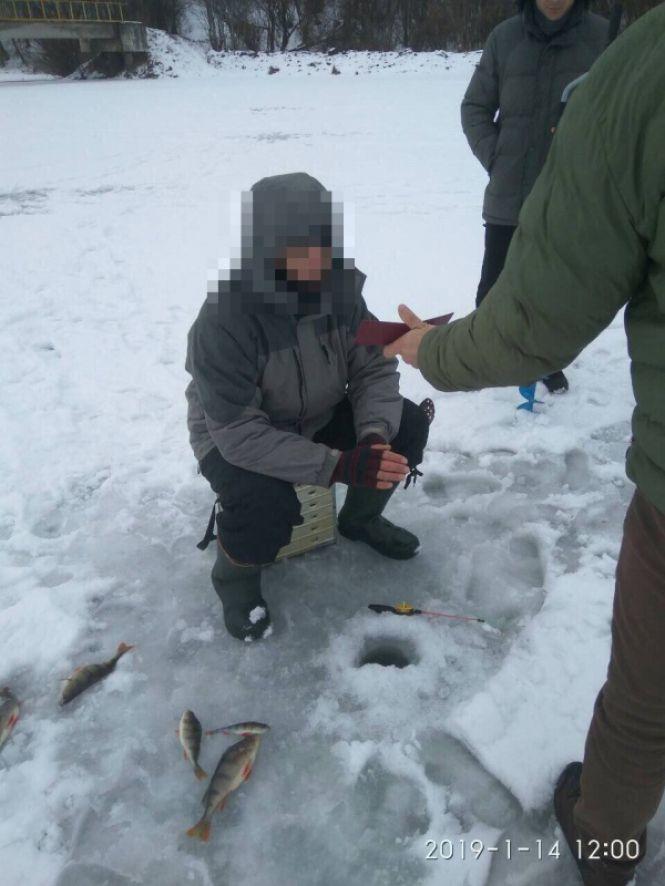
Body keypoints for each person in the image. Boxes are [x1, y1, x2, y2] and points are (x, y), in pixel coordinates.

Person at [386, 5, 664, 884]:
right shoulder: (515, 43)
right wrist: (508, 158)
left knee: (643, 706)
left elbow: (529, 324)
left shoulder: (634, 64)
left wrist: (430, 351)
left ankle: (607, 844)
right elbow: (478, 109)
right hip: (518, 193)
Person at [185, 173, 430, 643]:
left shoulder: (342, 293)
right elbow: (238, 434)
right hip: (232, 437)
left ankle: (360, 520)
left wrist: (373, 438)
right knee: (263, 504)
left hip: (315, 415)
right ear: (264, 247)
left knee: (408, 426)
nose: (318, 256)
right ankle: (235, 578)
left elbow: (374, 368)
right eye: (300, 244)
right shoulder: (223, 321)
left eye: (324, 239)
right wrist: (338, 465)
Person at [461, 0, 608, 394]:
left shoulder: (604, 38)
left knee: (553, 292)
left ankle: (543, 362)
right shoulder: (505, 38)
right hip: (509, 196)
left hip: (567, 200)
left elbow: (620, 118)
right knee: (493, 290)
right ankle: (485, 361)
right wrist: (498, 157)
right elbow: (474, 106)